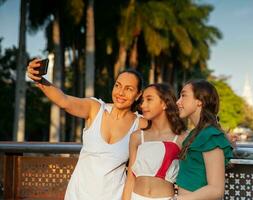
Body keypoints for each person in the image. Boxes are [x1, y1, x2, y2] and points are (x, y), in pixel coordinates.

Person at [26, 58, 148, 200]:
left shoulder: (140, 124)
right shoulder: (95, 108)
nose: (120, 93)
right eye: (118, 86)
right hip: (78, 195)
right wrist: (39, 80)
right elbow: (64, 100)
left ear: (138, 94)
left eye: (129, 89)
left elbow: (166, 130)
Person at [122, 83, 187, 200]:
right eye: (142, 101)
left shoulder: (182, 138)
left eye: (149, 99)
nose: (143, 105)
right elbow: (130, 179)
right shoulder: (136, 137)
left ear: (164, 103)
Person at [173, 80, 233, 200]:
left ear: (199, 101)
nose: (178, 102)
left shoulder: (210, 136)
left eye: (183, 95)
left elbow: (216, 189)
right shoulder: (196, 134)